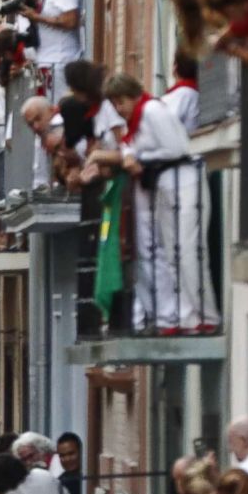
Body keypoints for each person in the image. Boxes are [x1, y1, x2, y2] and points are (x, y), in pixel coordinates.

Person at [103, 71, 219, 335]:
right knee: (172, 252)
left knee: (188, 249)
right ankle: (185, 315)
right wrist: (132, 155)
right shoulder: (138, 120)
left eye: (121, 102)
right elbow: (130, 146)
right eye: (115, 104)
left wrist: (139, 158)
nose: (119, 110)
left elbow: (176, 148)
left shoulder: (153, 111)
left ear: (132, 96)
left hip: (183, 183)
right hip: (164, 187)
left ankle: (205, 313)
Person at [21, 0, 83, 101]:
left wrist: (37, 17)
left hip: (61, 62)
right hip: (49, 63)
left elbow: (71, 20)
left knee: (60, 108)